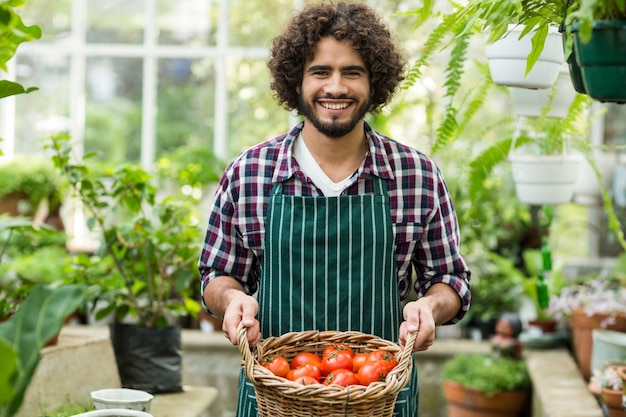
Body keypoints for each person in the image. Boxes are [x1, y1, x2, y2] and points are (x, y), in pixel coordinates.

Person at [199, 2, 471, 416]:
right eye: (320, 71)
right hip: (276, 397)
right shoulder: (250, 173)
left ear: (374, 82)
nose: (336, 87)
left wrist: (428, 307)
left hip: (380, 399)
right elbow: (218, 275)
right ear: (296, 82)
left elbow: (450, 279)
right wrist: (232, 300)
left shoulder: (417, 175)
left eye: (352, 72)